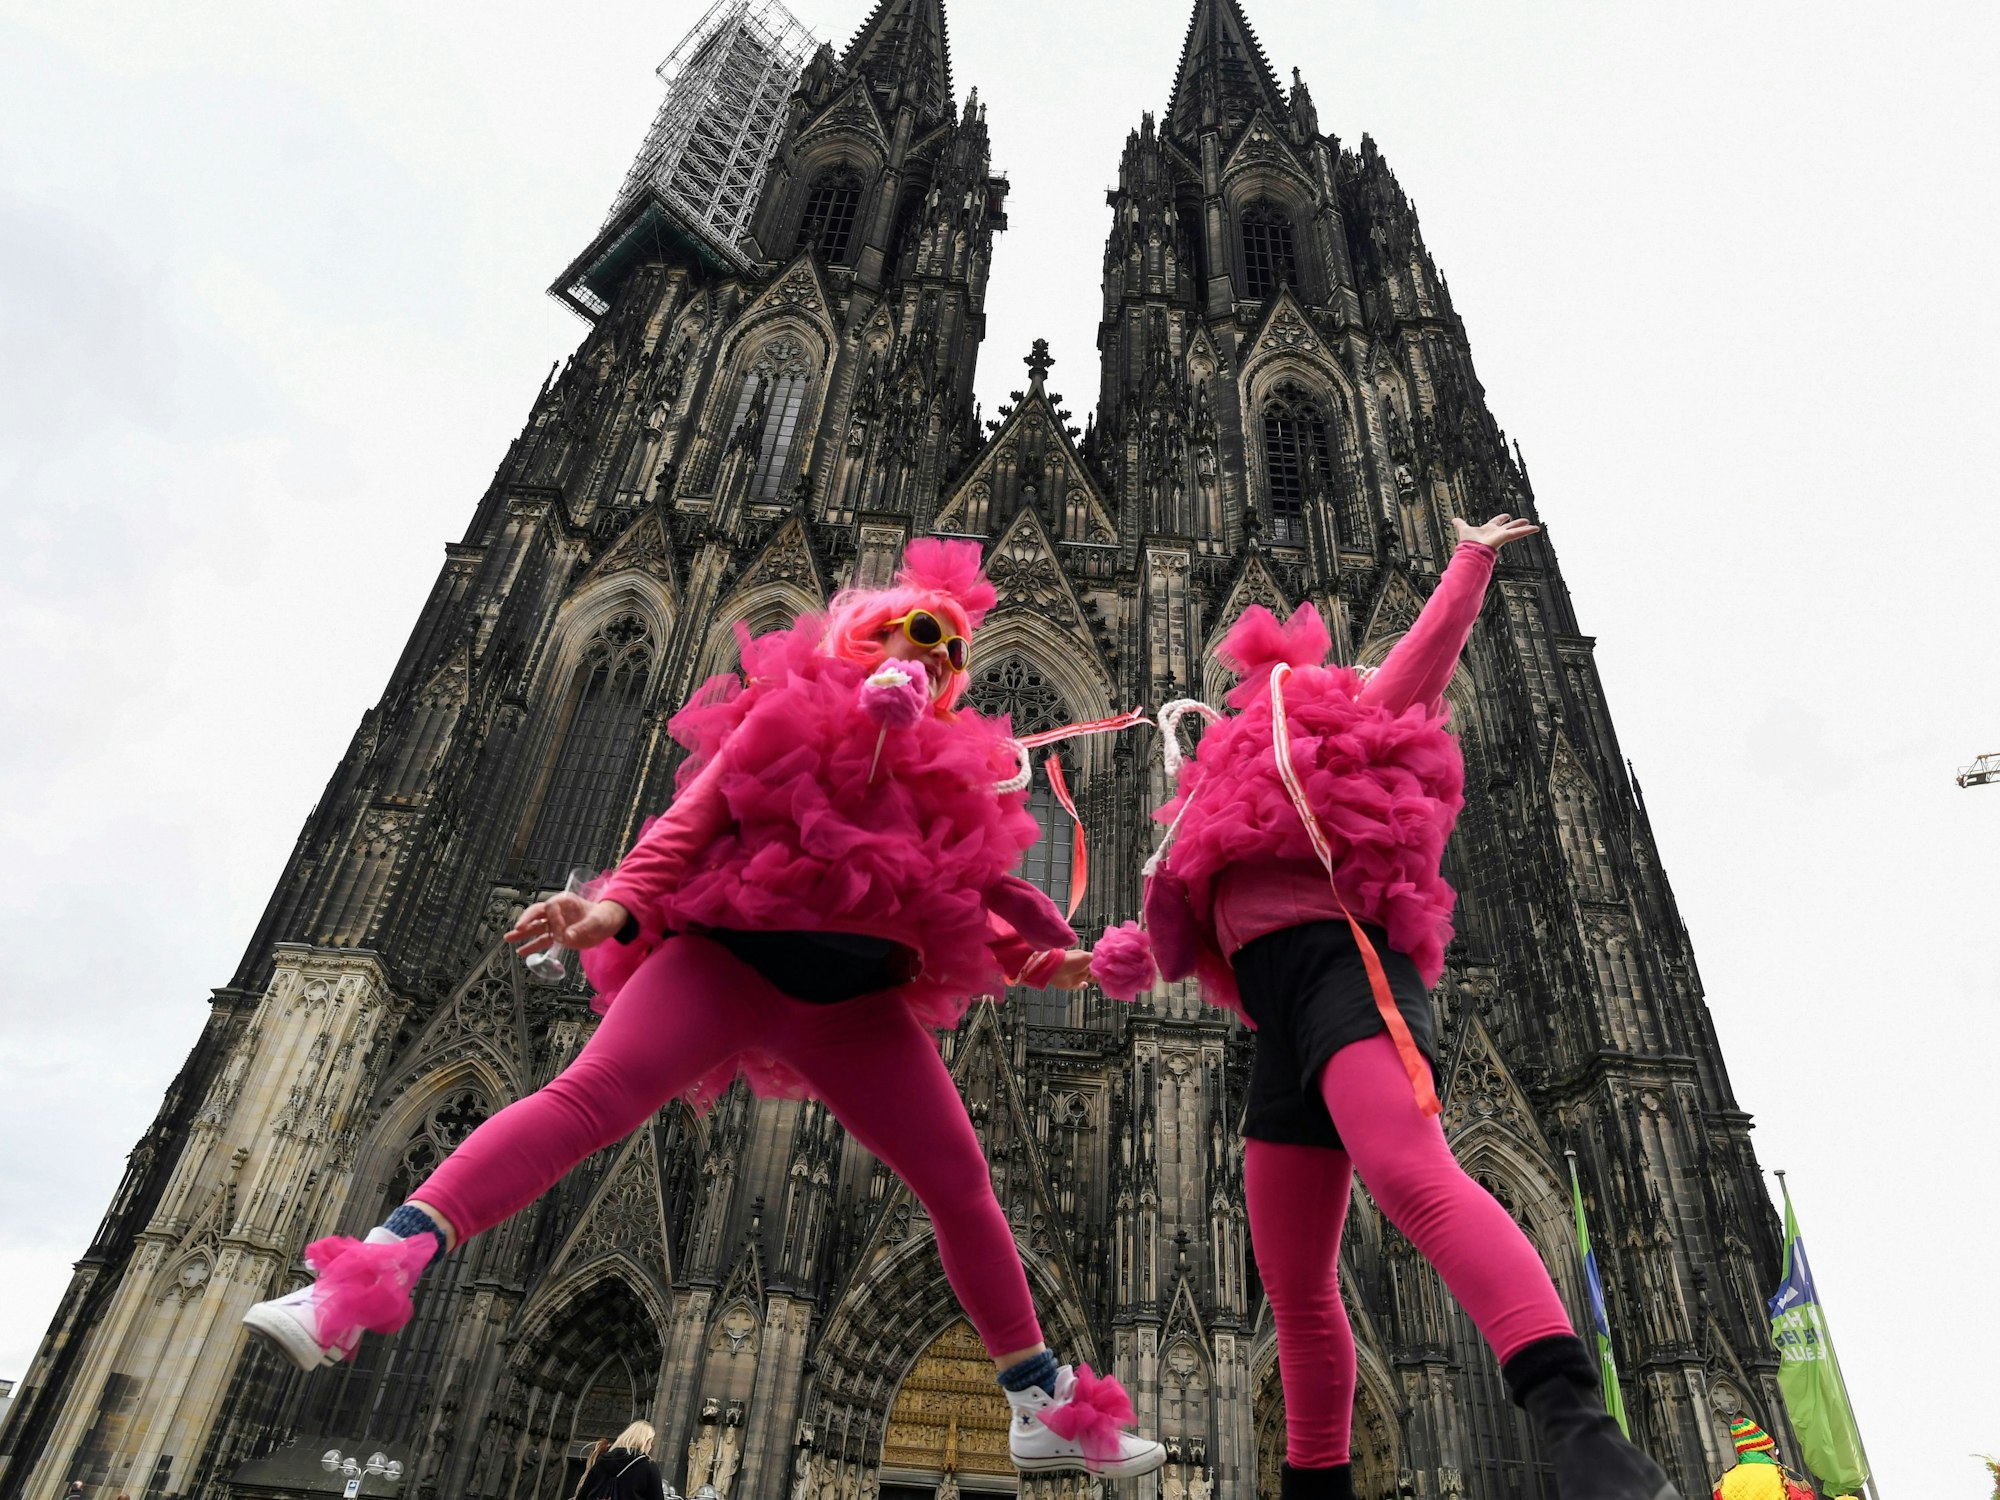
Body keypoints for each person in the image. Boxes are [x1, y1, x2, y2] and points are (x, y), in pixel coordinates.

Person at [241, 540, 1163, 1480]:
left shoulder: (952, 774)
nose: (931, 657)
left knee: (962, 1184)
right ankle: (365, 1273)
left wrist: (1077, 962)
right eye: (915, 633)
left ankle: (1037, 1401)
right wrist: (603, 911)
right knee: (587, 1098)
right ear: (865, 637)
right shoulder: (785, 722)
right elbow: (686, 828)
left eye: (950, 651)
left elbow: (978, 904)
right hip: (725, 961)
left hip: (852, 1004)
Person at [1135, 515, 1681, 1500]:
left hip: (1351, 985)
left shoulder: (1328, 746)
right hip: (1279, 1034)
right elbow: (1167, 932)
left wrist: (1468, 557)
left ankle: (1579, 1428)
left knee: (1410, 1178)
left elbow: (1417, 670)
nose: (1243, 709)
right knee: (1294, 1280)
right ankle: (1317, 1485)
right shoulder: (1207, 819)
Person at [576, 1423, 665, 1500]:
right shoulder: (648, 1466)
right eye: (650, 1443)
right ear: (644, 1442)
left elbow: (583, 1495)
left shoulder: (603, 1460)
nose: (650, 1447)